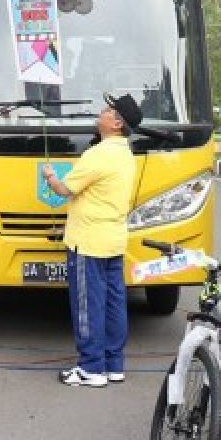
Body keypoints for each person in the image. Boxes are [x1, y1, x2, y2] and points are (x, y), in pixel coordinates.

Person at [41, 92, 140, 388]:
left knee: (88, 305)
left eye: (108, 111)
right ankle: (113, 363)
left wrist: (49, 177)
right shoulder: (125, 154)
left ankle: (91, 368)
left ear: (117, 123)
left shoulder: (99, 153)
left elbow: (64, 190)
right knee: (113, 303)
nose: (101, 112)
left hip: (88, 240)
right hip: (113, 238)